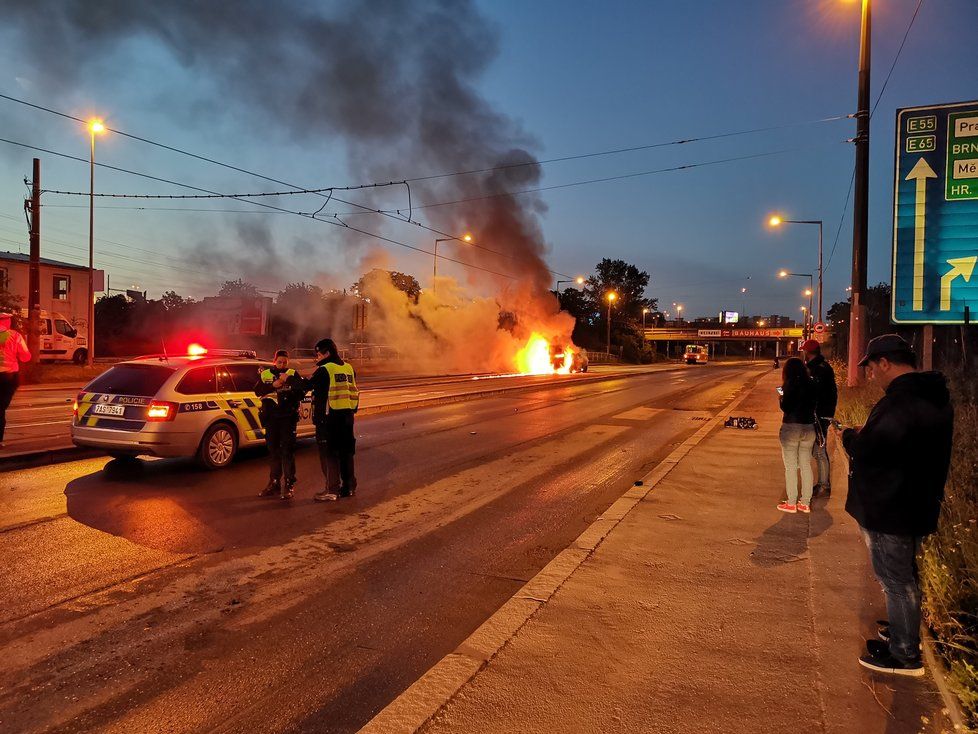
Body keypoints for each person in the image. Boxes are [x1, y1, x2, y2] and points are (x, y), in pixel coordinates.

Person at [839, 334, 953, 677]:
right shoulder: (931, 397)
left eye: (872, 368)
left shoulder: (900, 403)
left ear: (885, 363)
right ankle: (904, 634)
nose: (871, 375)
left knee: (895, 581)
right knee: (905, 577)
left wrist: (849, 436)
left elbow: (869, 449)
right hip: (913, 501)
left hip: (891, 505)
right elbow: (897, 443)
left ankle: (903, 655)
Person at [306, 338, 359, 502]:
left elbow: (306, 386)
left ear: (327, 353)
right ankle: (349, 487)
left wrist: (290, 377)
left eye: (318, 354)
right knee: (346, 452)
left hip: (329, 419)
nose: (317, 358)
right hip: (347, 417)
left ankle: (331, 490)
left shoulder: (325, 370)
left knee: (329, 454)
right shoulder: (348, 368)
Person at [254, 349, 305, 500]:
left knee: (287, 452)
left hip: (287, 418)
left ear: (288, 363)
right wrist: (273, 385)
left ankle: (289, 484)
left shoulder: (292, 373)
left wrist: (288, 380)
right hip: (271, 419)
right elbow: (257, 391)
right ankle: (274, 483)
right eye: (279, 362)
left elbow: (301, 391)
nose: (282, 365)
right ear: (274, 361)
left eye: (285, 362)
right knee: (274, 451)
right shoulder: (265, 374)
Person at [777, 356, 817, 514]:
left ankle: (791, 503)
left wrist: (781, 397)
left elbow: (786, 407)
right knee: (806, 465)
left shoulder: (789, 384)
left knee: (791, 467)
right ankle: (805, 503)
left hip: (791, 427)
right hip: (808, 427)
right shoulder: (812, 383)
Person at [800, 339, 838, 498]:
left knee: (820, 451)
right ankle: (822, 483)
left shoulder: (818, 370)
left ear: (808, 352)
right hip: (820, 413)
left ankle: (824, 486)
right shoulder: (821, 367)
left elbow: (814, 392)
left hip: (818, 414)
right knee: (817, 450)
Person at [0, 310, 31, 448]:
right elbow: (26, 356)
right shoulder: (15, 336)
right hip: (8, 377)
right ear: (7, 322)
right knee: (1, 408)